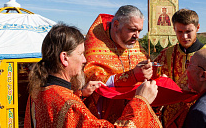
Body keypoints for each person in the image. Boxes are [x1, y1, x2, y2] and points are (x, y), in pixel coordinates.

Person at [24, 23, 162, 128]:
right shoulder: (69, 104)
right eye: (80, 54)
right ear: (64, 58)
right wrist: (141, 101)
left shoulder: (38, 91)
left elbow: (55, 112)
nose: (84, 60)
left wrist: (81, 94)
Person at [153, 8, 206, 127]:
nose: (184, 36)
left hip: (203, 116)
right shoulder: (165, 55)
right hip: (171, 119)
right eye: (180, 31)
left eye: (189, 31)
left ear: (197, 28)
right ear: (174, 29)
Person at [83, 5, 153, 122]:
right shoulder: (96, 41)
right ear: (116, 25)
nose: (137, 36)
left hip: (135, 112)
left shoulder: (132, 41)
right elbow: (93, 78)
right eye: (132, 29)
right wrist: (132, 76)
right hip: (106, 115)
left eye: (139, 30)